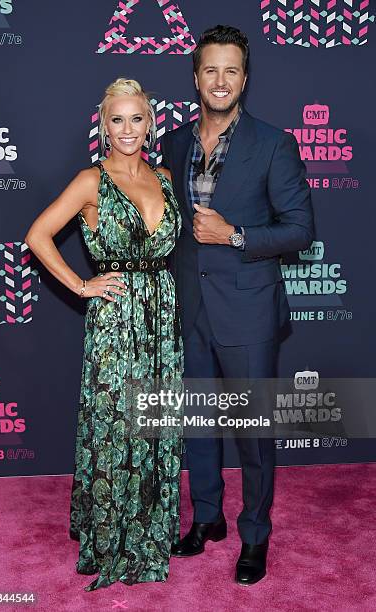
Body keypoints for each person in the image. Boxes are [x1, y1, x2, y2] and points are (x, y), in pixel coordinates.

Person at [160, 25, 314, 585]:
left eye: (231, 70)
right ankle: (206, 519)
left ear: (244, 79)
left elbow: (300, 229)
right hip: (192, 306)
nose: (220, 81)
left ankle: (254, 535)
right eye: (210, 70)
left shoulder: (274, 144)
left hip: (248, 311)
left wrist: (237, 235)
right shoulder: (175, 142)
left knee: (253, 434)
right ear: (196, 78)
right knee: (199, 426)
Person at [24, 78, 183, 590]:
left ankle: (151, 531)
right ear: (103, 125)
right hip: (116, 321)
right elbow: (38, 235)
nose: (128, 129)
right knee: (118, 427)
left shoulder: (164, 175)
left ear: (151, 123)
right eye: (117, 119)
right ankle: (113, 537)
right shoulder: (91, 181)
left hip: (162, 318)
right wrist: (81, 284)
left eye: (137, 118)